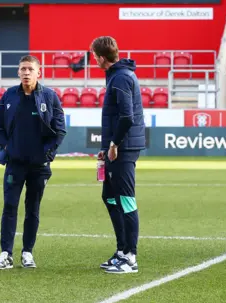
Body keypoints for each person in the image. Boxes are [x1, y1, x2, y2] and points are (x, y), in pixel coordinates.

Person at [0, 55, 67, 270]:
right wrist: (7, 148)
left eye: (30, 69)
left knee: (32, 209)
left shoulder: (50, 97)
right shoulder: (9, 96)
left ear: (38, 73)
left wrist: (47, 155)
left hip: (39, 166)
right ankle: (5, 253)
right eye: (23, 69)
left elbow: (60, 130)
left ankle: (27, 252)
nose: (26, 73)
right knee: (9, 207)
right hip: (14, 163)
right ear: (18, 72)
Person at [92, 36, 146, 274]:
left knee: (126, 199)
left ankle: (130, 258)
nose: (94, 60)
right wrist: (107, 146)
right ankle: (122, 251)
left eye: (94, 56)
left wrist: (114, 144)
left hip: (123, 149)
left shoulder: (121, 78)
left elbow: (126, 117)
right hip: (117, 148)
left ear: (102, 57)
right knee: (110, 197)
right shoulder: (118, 75)